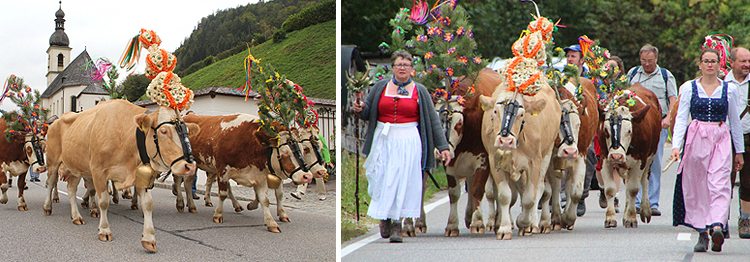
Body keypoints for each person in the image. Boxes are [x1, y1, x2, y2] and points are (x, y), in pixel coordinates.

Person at [351, 50, 451, 243]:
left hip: (408, 139)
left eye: (406, 65)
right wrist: (360, 109)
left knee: (402, 180)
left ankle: (397, 223)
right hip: (383, 138)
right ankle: (384, 217)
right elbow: (367, 113)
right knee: (380, 177)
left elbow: (433, 120)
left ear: (412, 69)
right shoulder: (380, 87)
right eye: (399, 65)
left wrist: (443, 146)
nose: (402, 68)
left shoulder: (419, 91)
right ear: (393, 68)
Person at [672, 49, 744, 252]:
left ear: (720, 65)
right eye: (706, 61)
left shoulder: (729, 90)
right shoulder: (688, 88)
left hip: (720, 137)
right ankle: (702, 233)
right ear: (700, 64)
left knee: (719, 182)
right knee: (697, 185)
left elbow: (735, 122)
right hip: (696, 137)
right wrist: (676, 146)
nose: (710, 64)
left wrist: (739, 151)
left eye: (713, 61)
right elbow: (681, 118)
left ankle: (717, 225)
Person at [627, 44, 678, 217]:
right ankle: (636, 200)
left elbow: (673, 98)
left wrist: (668, 117)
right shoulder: (633, 74)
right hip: (636, 124)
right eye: (643, 60)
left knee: (653, 160)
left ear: (656, 59)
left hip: (657, 124)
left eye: (650, 60)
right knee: (634, 160)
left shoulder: (665, 75)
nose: (647, 64)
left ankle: (652, 201)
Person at [562, 44, 594, 216]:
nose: (569, 58)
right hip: (565, 126)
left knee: (588, 155)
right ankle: (559, 196)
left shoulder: (591, 80)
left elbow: (602, 101)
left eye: (573, 56)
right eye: (568, 56)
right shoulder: (559, 79)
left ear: (582, 60)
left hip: (585, 127)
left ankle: (581, 195)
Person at [595, 56, 625, 213]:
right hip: (601, 124)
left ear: (619, 70)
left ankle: (616, 196)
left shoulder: (623, 85)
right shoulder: (598, 84)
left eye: (613, 67)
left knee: (615, 163)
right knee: (600, 164)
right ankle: (602, 187)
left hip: (616, 125)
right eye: (607, 67)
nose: (609, 70)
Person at [726, 47, 750, 239]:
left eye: (749, 61)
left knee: (748, 182)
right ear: (732, 62)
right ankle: (721, 219)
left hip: (748, 137)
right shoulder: (722, 83)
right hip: (725, 138)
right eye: (742, 61)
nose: (747, 65)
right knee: (723, 181)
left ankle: (745, 220)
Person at [291, 134, 332, 201]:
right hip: (308, 160)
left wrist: (327, 160)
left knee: (319, 177)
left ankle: (322, 193)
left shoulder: (318, 137)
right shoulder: (302, 137)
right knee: (305, 175)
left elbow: (324, 148)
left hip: (317, 160)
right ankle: (299, 192)